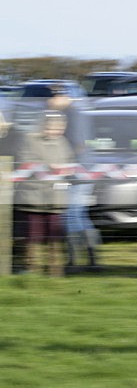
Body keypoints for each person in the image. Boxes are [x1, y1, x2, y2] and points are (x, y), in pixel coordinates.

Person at [16, 111, 75, 276]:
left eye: (59, 128)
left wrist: (67, 169)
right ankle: (31, 267)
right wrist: (47, 167)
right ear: (42, 126)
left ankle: (54, 269)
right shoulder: (29, 140)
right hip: (34, 196)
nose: (55, 131)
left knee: (54, 235)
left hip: (55, 197)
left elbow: (70, 161)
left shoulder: (63, 142)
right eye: (51, 128)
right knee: (33, 235)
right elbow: (24, 162)